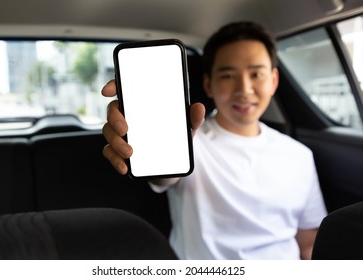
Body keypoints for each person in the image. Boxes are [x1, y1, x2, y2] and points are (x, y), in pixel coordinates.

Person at [101, 21, 328, 260]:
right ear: (209, 84)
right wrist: (150, 132)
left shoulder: (299, 154)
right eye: (228, 75)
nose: (244, 89)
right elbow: (164, 176)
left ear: (273, 80)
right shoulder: (189, 143)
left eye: (256, 74)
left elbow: (308, 242)